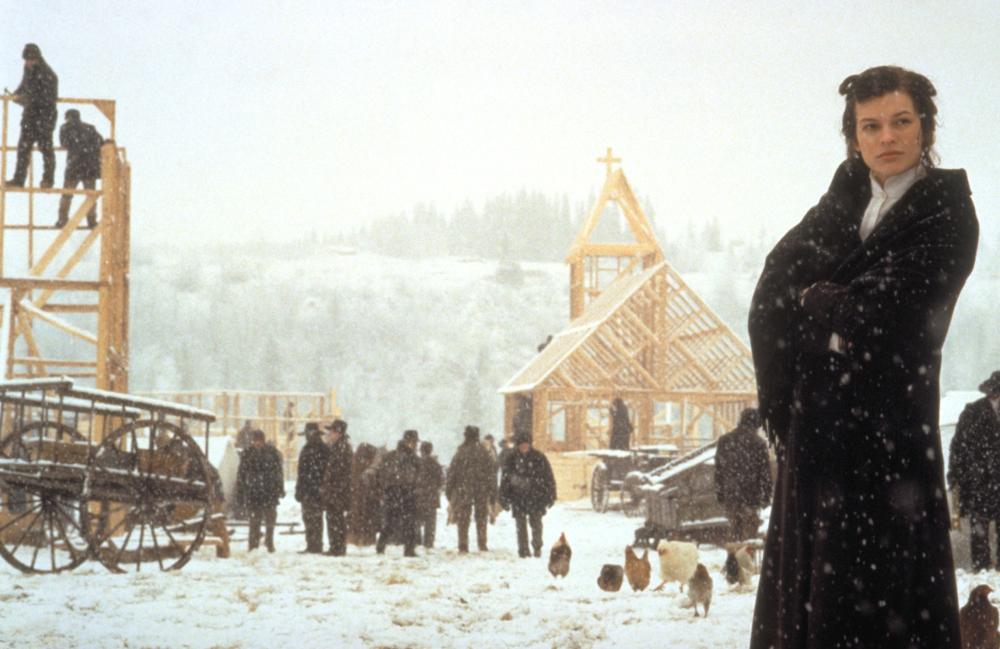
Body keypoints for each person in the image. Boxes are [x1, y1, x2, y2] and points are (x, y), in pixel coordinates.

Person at [748, 66, 978, 648]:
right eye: (870, 125)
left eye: (901, 121)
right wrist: (826, 310)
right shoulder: (840, 201)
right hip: (815, 433)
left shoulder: (945, 213)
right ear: (854, 136)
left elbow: (891, 319)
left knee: (883, 600)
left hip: (889, 436)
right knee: (808, 599)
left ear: (925, 127)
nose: (887, 137)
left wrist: (815, 302)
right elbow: (772, 291)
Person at [948, 371, 1000, 572]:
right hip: (978, 483)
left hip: (990, 481)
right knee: (979, 532)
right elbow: (958, 448)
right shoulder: (972, 413)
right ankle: (981, 571)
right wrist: (955, 478)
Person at [713, 408, 772, 541]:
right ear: (757, 424)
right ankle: (744, 552)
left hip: (731, 495)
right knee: (749, 537)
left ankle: (734, 552)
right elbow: (765, 473)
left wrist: (720, 492)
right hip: (751, 497)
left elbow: (718, 469)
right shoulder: (759, 443)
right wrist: (766, 497)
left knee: (734, 532)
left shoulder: (724, 441)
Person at [5, 44, 58, 189]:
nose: (28, 63)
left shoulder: (48, 74)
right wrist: (16, 95)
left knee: (45, 148)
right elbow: (24, 86)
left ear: (37, 59)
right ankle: (18, 180)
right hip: (30, 117)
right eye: (26, 60)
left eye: (30, 60)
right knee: (23, 148)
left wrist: (24, 98)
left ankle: (48, 180)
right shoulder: (29, 70)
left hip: (44, 117)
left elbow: (46, 99)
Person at [499, 431, 556, 558]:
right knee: (521, 525)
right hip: (518, 497)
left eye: (526, 444)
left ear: (530, 444)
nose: (524, 446)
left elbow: (548, 477)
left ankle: (537, 546)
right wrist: (504, 497)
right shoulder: (511, 459)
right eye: (522, 444)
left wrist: (551, 495)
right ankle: (523, 550)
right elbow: (505, 480)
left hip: (536, 497)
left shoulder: (539, 457)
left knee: (536, 523)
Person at [447, 425, 496, 553]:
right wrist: (492, 492)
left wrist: (449, 491)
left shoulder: (460, 452)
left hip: (464, 488)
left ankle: (463, 544)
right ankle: (482, 542)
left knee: (463, 518)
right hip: (481, 488)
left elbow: (452, 473)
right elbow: (491, 474)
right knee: (481, 516)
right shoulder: (484, 453)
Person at [236, 430, 284, 552]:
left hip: (269, 492)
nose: (257, 443)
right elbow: (241, 474)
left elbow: (278, 472)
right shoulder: (248, 454)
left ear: (263, 441)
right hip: (254, 493)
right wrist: (240, 492)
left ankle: (269, 542)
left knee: (270, 520)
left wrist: (280, 488)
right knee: (254, 521)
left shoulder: (272, 453)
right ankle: (253, 544)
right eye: (255, 440)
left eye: (259, 441)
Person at [376, 429, 421, 557]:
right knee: (406, 522)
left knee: (393, 521)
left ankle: (382, 546)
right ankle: (408, 549)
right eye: (414, 442)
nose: (415, 445)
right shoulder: (410, 458)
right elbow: (415, 476)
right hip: (402, 492)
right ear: (408, 441)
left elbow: (381, 473)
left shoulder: (392, 455)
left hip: (396, 492)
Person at [55, 109, 103, 228]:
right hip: (89, 167)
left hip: (74, 166)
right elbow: (101, 142)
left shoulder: (65, 128)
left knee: (67, 195)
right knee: (91, 196)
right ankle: (92, 221)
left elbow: (64, 144)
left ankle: (62, 220)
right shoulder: (89, 128)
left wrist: (77, 145)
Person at [294, 422, 329, 554]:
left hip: (316, 491)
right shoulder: (306, 449)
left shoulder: (323, 450)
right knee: (308, 518)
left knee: (316, 519)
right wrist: (299, 489)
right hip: (307, 490)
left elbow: (326, 472)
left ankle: (316, 545)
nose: (308, 436)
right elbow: (301, 472)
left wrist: (321, 487)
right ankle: (311, 544)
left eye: (309, 434)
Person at [320, 419, 353, 556]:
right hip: (336, 490)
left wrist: (334, 489)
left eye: (332, 431)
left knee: (336, 519)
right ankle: (336, 546)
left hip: (337, 491)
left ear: (338, 433)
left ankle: (337, 547)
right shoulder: (339, 447)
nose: (330, 434)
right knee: (334, 519)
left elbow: (340, 472)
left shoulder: (341, 448)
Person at [414, 441, 444, 549]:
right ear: (431, 450)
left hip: (419, 496)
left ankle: (417, 540)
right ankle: (429, 542)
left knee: (417, 520)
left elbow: (413, 479)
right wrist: (434, 488)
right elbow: (441, 480)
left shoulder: (417, 463)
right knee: (430, 522)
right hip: (432, 497)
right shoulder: (435, 464)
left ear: (421, 450)